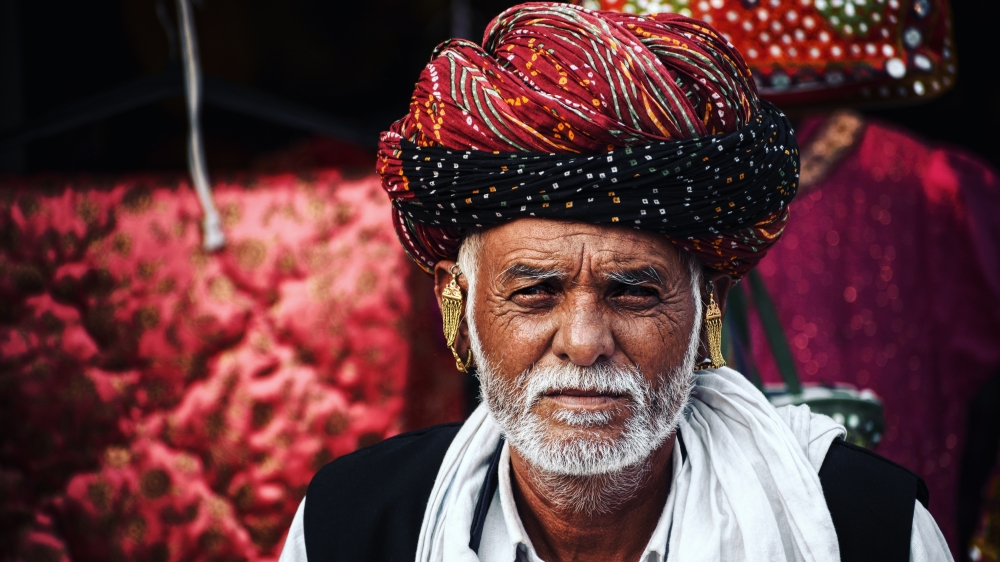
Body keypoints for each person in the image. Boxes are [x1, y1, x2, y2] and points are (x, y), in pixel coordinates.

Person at [278, 4, 951, 561]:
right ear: (456, 303)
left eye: (632, 291)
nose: (583, 342)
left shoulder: (871, 531)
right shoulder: (349, 527)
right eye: (535, 290)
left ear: (708, 302)